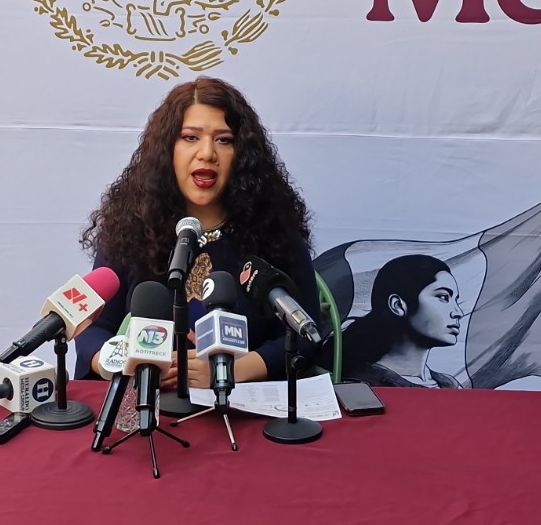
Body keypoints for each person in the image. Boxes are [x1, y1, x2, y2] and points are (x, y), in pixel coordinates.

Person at [75, 76, 320, 386]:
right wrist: (128, 367)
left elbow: (306, 334)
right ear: (167, 150)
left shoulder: (275, 232)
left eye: (224, 140)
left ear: (243, 154)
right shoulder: (130, 229)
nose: (207, 153)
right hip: (148, 401)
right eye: (190, 137)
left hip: (241, 402)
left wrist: (231, 371)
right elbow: (94, 329)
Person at [338, 254, 464, 388]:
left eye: (455, 300)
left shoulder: (450, 384)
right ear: (398, 305)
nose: (458, 313)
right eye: (443, 297)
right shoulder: (362, 384)